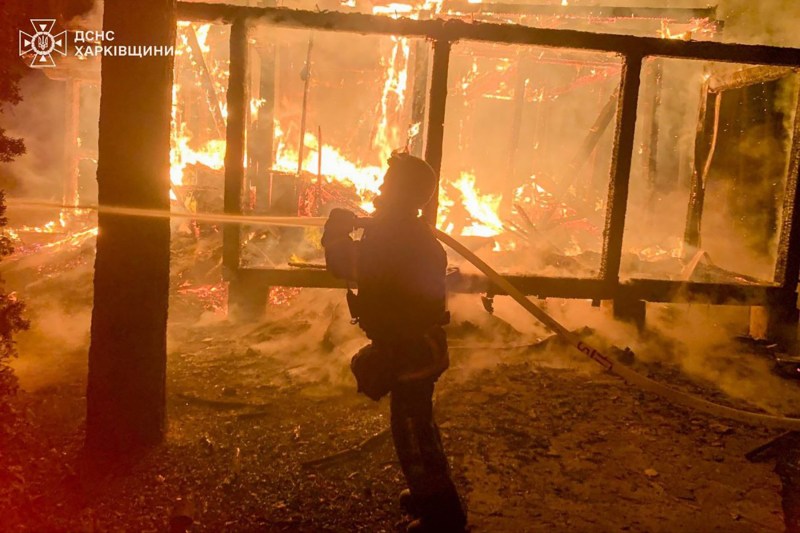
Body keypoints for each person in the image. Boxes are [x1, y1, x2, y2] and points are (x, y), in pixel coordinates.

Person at [321, 152, 467, 532]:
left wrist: (335, 235)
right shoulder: (402, 232)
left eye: (388, 182)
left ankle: (442, 517)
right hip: (413, 344)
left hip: (411, 349)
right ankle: (427, 495)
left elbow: (347, 266)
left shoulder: (395, 238)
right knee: (415, 425)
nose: (381, 188)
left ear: (403, 192)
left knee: (413, 434)